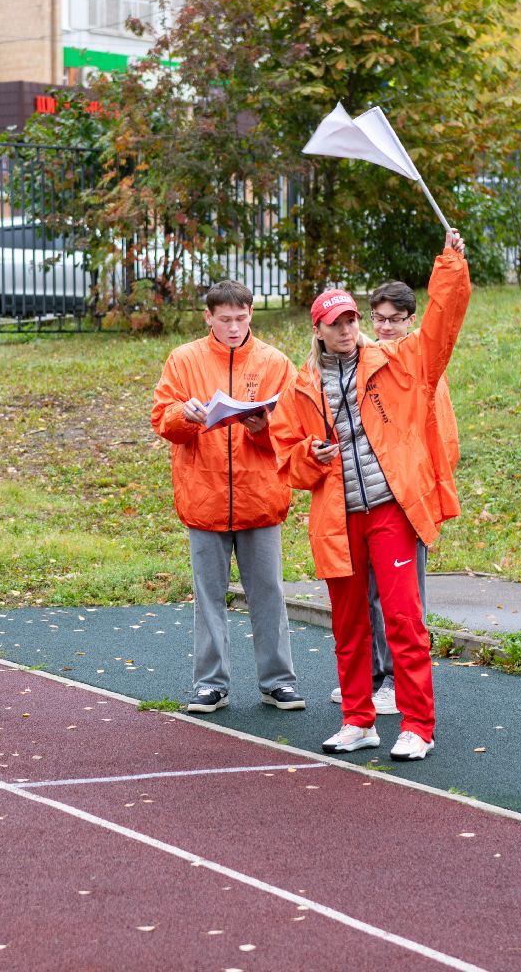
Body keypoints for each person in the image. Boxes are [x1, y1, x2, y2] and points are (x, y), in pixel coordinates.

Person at [274, 230, 470, 760]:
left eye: (352, 320)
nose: (348, 329)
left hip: (390, 509)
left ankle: (418, 726)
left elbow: (441, 328)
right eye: (336, 323)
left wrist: (449, 266)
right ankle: (359, 720)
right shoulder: (301, 385)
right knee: (349, 624)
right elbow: (285, 459)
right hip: (338, 519)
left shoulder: (395, 361)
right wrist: (307, 458)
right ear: (317, 329)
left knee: (404, 619)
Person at [151, 280, 304, 715]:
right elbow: (162, 418)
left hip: (261, 497)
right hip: (204, 496)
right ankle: (210, 684)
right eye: (225, 320)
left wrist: (263, 429)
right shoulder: (184, 360)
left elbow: (294, 429)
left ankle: (278, 682)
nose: (234, 327)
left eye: (241, 318)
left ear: (251, 314)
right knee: (209, 597)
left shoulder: (276, 362)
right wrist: (188, 415)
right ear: (208, 318)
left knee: (269, 593)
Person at [328, 281, 461, 714]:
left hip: (404, 494)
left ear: (410, 319)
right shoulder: (361, 360)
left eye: (395, 320)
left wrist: (422, 486)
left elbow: (438, 437)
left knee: (400, 599)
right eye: (379, 319)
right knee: (365, 594)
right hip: (363, 494)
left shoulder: (419, 364)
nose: (385, 327)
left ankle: (395, 683)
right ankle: (371, 678)